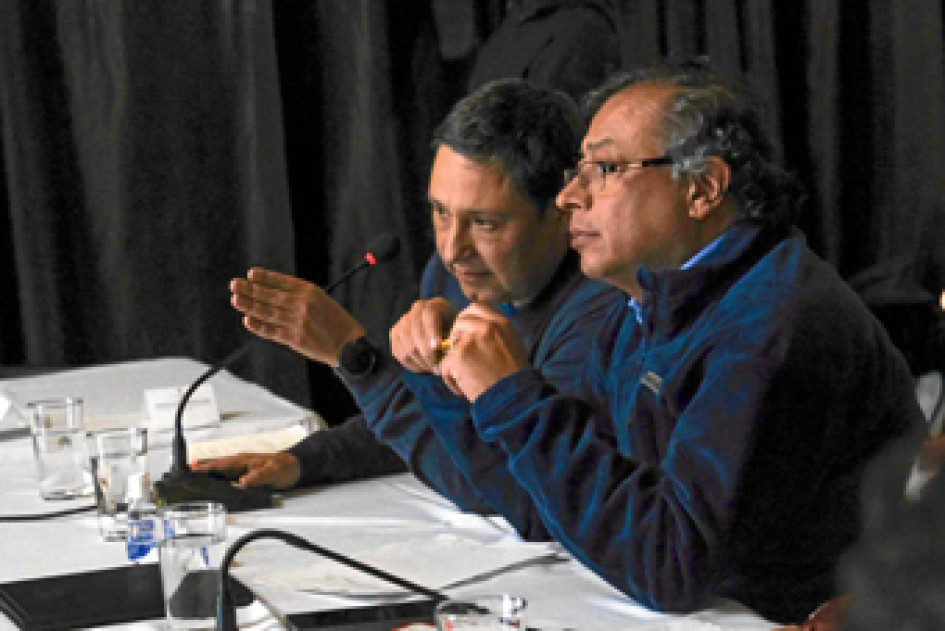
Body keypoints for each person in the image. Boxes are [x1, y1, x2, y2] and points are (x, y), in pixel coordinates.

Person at [432, 61, 928, 623]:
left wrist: (513, 398)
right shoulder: (644, 302)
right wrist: (445, 377)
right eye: (578, 170)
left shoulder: (773, 325)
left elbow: (670, 566)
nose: (570, 195)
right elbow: (542, 507)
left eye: (605, 169)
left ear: (702, 189)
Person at [191, 78, 622, 537]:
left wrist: (356, 360)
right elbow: (432, 422)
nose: (453, 250)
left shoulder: (600, 312)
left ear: (562, 210)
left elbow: (508, 492)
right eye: (441, 213)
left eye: (484, 223)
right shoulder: (455, 275)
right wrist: (302, 461)